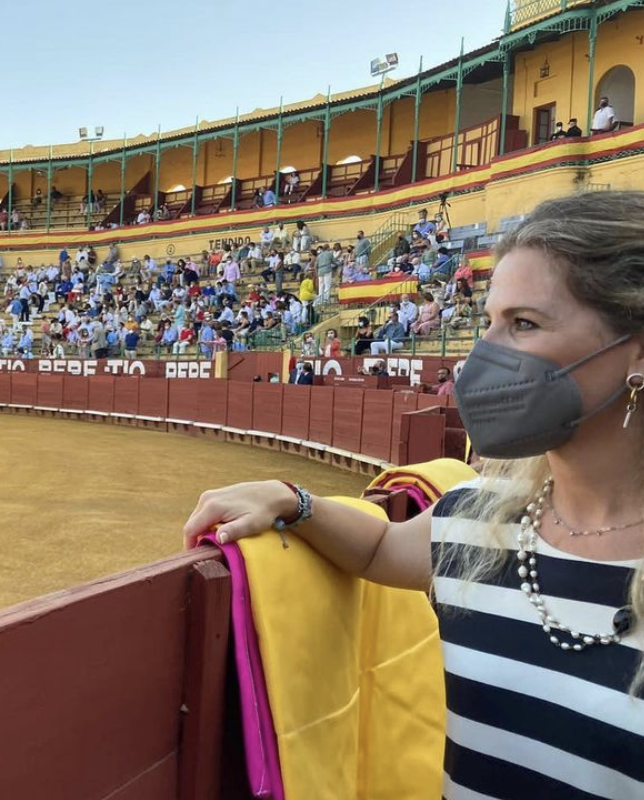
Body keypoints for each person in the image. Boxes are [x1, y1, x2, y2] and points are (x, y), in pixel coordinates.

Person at [183, 191, 644, 800]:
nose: (480, 360)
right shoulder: (481, 518)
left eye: (524, 324)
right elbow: (379, 550)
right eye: (489, 324)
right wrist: (294, 501)